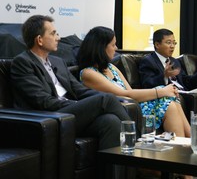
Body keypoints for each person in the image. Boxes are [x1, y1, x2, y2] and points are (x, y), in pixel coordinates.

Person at [10, 15, 131, 150]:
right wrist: (81, 104)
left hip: (69, 114)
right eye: (53, 34)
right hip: (48, 117)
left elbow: (80, 90)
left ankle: (113, 170)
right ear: (39, 40)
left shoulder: (58, 62)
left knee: (110, 121)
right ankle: (138, 144)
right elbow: (42, 101)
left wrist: (99, 102)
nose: (58, 38)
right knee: (107, 98)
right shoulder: (23, 62)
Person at [77, 26, 191, 139]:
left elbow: (130, 91)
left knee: (171, 99)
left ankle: (189, 140)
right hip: (122, 109)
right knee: (167, 100)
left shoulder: (111, 67)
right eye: (113, 45)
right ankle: (183, 145)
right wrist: (161, 91)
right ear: (101, 48)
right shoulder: (88, 73)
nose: (116, 48)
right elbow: (124, 94)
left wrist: (165, 91)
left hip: (132, 106)